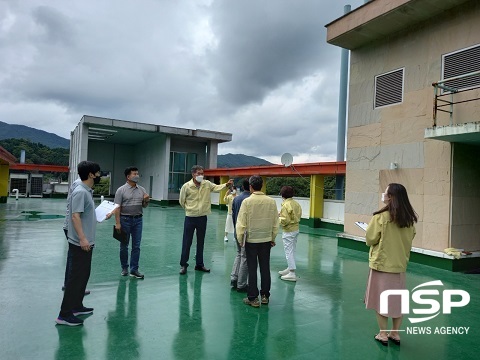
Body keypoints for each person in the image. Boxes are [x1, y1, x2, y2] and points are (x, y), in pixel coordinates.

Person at [365, 183, 417, 346]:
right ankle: (395, 333)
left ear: (391, 197)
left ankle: (382, 334)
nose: (383, 194)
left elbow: (370, 239)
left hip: (382, 265)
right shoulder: (409, 219)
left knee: (381, 301)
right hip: (400, 266)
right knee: (397, 301)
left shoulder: (380, 217)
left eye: (386, 192)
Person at [56, 161, 101, 326]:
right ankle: (64, 315)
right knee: (76, 278)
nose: (99, 175)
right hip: (81, 242)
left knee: (83, 275)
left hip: (87, 241)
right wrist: (82, 238)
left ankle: (77, 306)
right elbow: (75, 217)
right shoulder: (81, 192)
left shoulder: (86, 191)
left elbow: (85, 214)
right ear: (91, 174)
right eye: (98, 172)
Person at [179, 165, 233, 275]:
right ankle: (183, 265)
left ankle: (199, 264)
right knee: (187, 242)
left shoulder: (206, 184)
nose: (201, 175)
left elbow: (216, 187)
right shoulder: (186, 186)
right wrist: (190, 209)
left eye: (202, 173)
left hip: (202, 217)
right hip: (190, 217)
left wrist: (226, 185)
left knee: (201, 241)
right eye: (198, 173)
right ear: (193, 174)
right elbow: (181, 201)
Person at [236, 175, 278, 307]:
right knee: (265, 267)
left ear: (251, 186)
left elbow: (241, 223)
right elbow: (275, 222)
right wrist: (272, 237)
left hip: (251, 240)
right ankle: (265, 295)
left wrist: (241, 239)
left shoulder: (247, 202)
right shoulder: (271, 201)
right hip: (266, 239)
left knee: (252, 268)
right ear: (262, 186)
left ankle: (253, 298)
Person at [114, 166, 150, 279]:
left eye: (137, 173)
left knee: (136, 246)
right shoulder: (121, 190)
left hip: (138, 220)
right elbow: (117, 207)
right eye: (134, 174)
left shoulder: (142, 190)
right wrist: (118, 223)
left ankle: (134, 269)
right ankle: (124, 267)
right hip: (125, 220)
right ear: (128, 176)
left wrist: (146, 200)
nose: (137, 176)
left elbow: (144, 206)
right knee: (124, 245)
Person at [62, 177, 91, 296]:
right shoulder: (81, 187)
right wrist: (82, 237)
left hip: (71, 225)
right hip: (74, 227)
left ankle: (69, 285)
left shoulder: (80, 185)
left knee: (72, 258)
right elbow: (76, 215)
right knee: (77, 260)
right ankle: (74, 289)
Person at [278, 186, 302, 282]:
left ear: (282, 195)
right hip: (296, 229)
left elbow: (285, 220)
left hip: (288, 231)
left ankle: (291, 272)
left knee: (288, 252)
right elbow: (297, 215)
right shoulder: (296, 204)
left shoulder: (285, 205)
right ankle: (289, 268)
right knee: (292, 250)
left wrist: (278, 217)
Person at [230, 179, 251, 292]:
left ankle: (234, 278)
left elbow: (234, 216)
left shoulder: (236, 198)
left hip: (237, 230)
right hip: (246, 232)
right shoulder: (250, 199)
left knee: (239, 254)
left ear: (242, 187)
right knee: (245, 257)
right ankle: (241, 284)